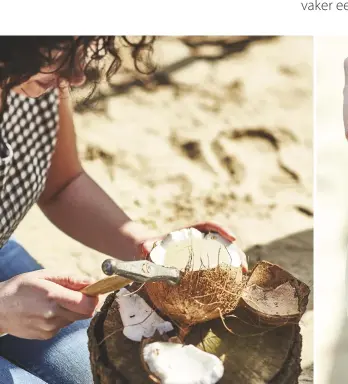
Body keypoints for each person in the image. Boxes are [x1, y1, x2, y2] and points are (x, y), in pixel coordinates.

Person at [0, 36, 247, 384]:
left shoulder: (34, 77)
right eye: (56, 49)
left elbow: (62, 186)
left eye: (82, 47)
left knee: (103, 374)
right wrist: (3, 312)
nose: (76, 75)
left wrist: (144, 244)